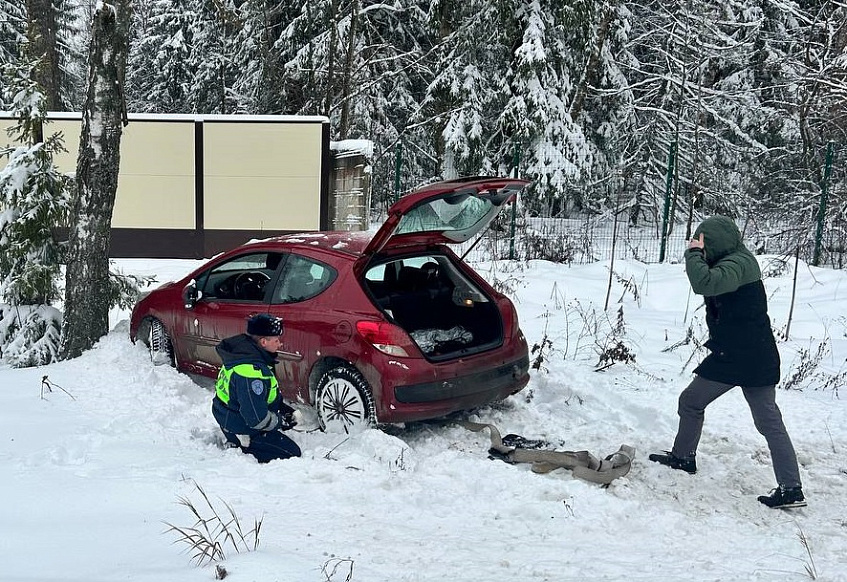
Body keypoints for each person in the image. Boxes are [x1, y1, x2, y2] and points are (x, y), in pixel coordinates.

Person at [649, 215, 805, 509]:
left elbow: (704, 283)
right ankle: (791, 487)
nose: (702, 250)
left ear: (715, 243)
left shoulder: (736, 265)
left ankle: (684, 458)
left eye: (704, 244)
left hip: (739, 357)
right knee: (764, 420)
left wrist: (693, 254)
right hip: (751, 354)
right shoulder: (738, 259)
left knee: (694, 403)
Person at [212, 313, 301, 463]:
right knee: (292, 453)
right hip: (240, 425)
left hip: (228, 415)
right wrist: (280, 422)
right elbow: (255, 418)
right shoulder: (250, 373)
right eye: (276, 340)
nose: (280, 344)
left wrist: (284, 410)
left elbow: (262, 397)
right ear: (264, 342)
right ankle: (243, 442)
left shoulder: (248, 354)